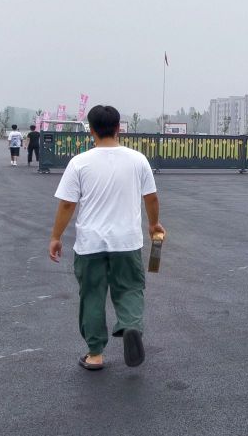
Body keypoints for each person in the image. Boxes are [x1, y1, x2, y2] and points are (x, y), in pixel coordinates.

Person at [48, 105, 164, 371]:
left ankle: (95, 354)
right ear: (119, 128)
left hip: (90, 244)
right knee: (131, 289)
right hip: (127, 242)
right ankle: (131, 325)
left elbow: (67, 205)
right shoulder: (138, 160)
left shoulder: (79, 163)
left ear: (90, 130)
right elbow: (152, 197)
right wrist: (154, 224)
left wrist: (56, 236)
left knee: (92, 295)